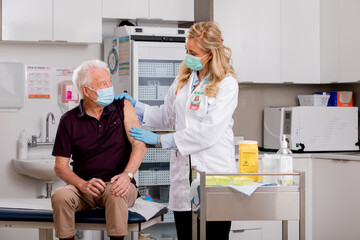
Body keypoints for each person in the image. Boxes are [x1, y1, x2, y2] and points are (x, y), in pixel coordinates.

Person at [117, 22, 238, 240]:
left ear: (210, 54)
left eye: (193, 52)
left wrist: (161, 140)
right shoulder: (183, 80)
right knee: (186, 234)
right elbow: (166, 115)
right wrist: (137, 106)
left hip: (213, 173)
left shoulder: (227, 84)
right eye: (186, 51)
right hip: (184, 176)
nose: (188, 56)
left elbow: (208, 132)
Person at [51, 60, 147, 240]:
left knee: (116, 192)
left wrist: (127, 176)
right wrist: (82, 184)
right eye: (103, 84)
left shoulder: (123, 107)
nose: (110, 87)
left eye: (109, 82)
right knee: (60, 196)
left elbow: (139, 145)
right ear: (86, 91)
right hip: (84, 188)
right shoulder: (68, 120)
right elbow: (60, 167)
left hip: (118, 183)